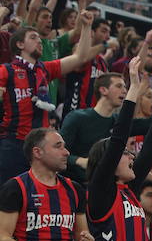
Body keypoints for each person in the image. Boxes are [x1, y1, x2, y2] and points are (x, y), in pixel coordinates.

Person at [86, 59, 152, 241]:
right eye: (126, 154)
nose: (132, 156)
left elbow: (150, 151)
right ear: (108, 161)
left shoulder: (128, 191)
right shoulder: (102, 190)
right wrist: (133, 89)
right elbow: (118, 138)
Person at [0, 128, 94, 241]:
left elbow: (82, 240)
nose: (66, 152)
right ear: (38, 152)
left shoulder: (75, 189)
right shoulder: (16, 187)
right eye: (58, 146)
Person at [0, 14, 94, 182]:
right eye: (33, 37)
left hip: (40, 147)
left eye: (39, 38)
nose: (39, 41)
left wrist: (86, 27)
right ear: (20, 44)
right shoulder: (6, 70)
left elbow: (80, 57)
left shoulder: (44, 70)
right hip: (13, 144)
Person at [60, 72, 126, 183]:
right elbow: (57, 152)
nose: (124, 91)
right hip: (74, 182)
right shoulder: (77, 118)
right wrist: (79, 161)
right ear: (103, 90)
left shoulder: (120, 122)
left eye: (125, 87)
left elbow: (150, 124)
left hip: (105, 185)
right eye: (119, 86)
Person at [61, 18, 113, 119]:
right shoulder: (79, 49)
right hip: (75, 112)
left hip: (94, 115)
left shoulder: (102, 62)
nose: (108, 36)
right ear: (92, 32)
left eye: (109, 32)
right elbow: (81, 59)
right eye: (103, 31)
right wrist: (104, 46)